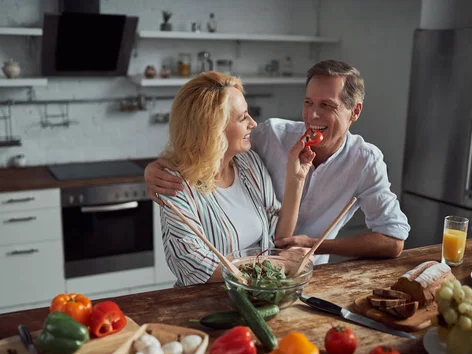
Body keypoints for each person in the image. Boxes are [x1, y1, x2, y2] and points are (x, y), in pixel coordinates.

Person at [146, 60, 411, 264]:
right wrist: (156, 167)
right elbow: (209, 141)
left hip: (309, 271)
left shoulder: (365, 161)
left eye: (327, 106)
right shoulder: (270, 136)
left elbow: (393, 240)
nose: (313, 115)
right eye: (308, 102)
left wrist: (315, 244)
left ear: (355, 111)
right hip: (260, 274)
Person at [157, 71, 315, 286]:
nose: (253, 123)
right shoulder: (175, 184)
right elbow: (195, 265)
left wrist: (296, 179)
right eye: (243, 118)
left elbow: (278, 237)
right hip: (202, 305)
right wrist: (277, 263)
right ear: (213, 129)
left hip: (255, 297)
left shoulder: (249, 163)